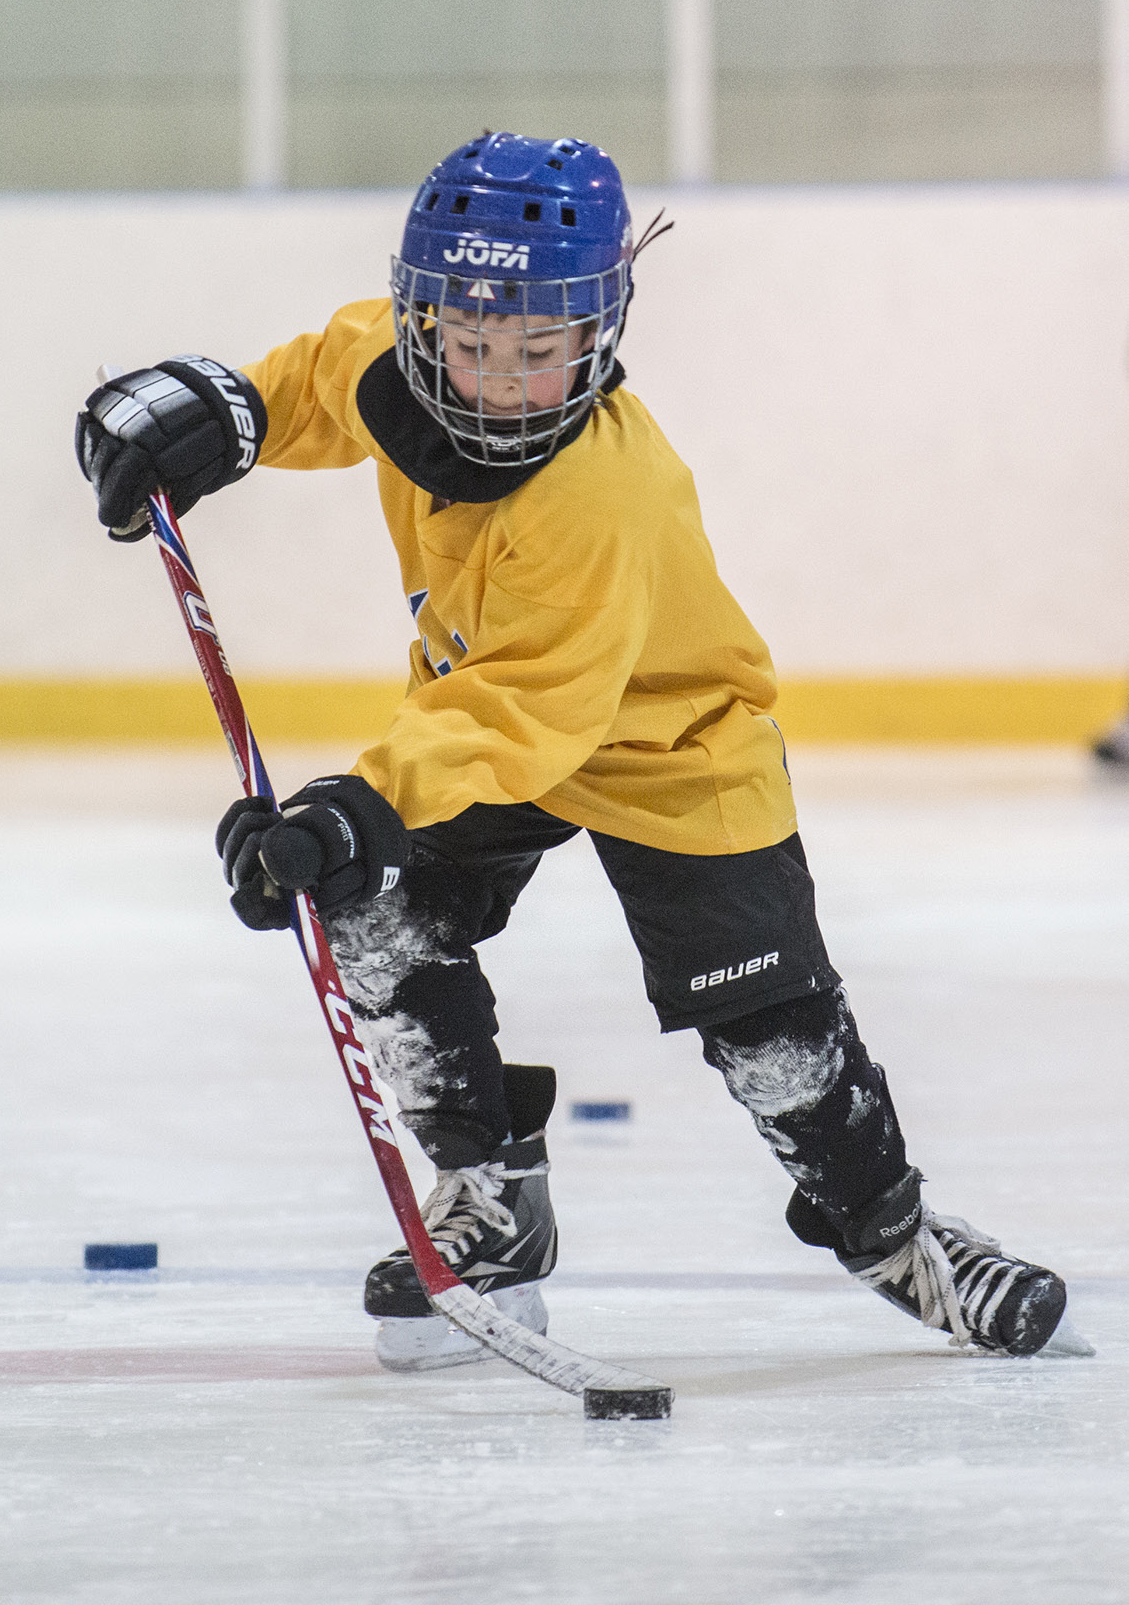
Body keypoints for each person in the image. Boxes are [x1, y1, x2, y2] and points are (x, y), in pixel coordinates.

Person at [76, 131, 1080, 1370]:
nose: (497, 376)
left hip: (669, 743)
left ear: (598, 331)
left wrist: (358, 802)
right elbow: (312, 386)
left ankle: (892, 1232)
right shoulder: (394, 360)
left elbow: (527, 707)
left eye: (538, 351)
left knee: (773, 1033)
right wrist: (215, 411)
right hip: (488, 722)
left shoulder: (603, 496)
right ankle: (490, 1196)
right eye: (470, 340)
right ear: (424, 313)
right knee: (374, 909)